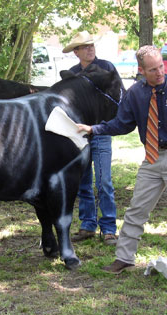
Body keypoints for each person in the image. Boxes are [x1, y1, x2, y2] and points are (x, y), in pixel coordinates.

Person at [77, 45, 167, 283]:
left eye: (161, 67)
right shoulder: (136, 93)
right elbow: (121, 124)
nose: (160, 72)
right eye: (153, 69)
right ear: (141, 70)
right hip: (152, 158)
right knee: (136, 210)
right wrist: (94, 129)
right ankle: (124, 257)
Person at [62, 31, 124, 245]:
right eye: (84, 46)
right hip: (80, 134)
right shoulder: (71, 74)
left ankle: (108, 228)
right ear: (76, 52)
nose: (90, 49)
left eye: (91, 45)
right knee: (83, 182)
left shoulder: (107, 68)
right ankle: (88, 225)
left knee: (104, 181)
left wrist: (109, 123)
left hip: (101, 131)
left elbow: (120, 96)